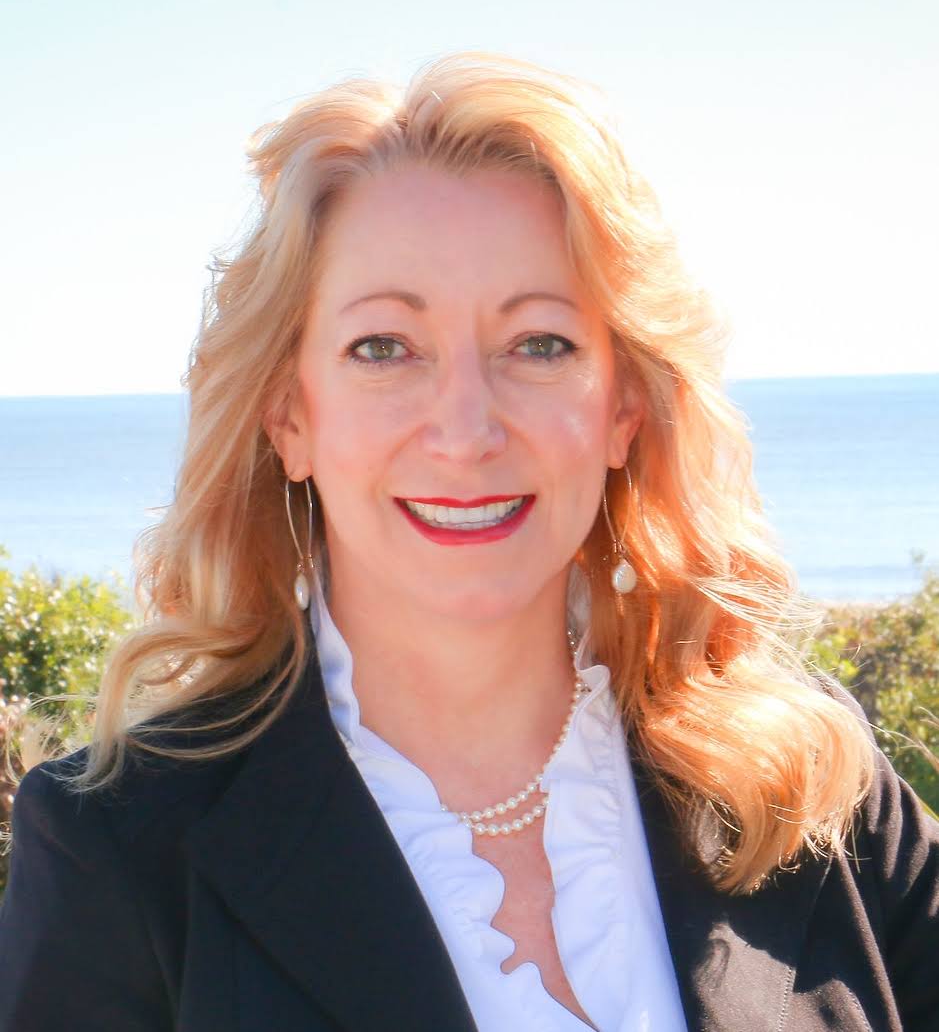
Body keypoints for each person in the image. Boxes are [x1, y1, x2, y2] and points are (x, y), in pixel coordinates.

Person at [0, 52, 936, 1032]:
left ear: (623, 406)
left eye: (540, 344)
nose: (465, 429)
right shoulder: (120, 851)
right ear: (289, 416)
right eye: (383, 348)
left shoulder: (811, 782)